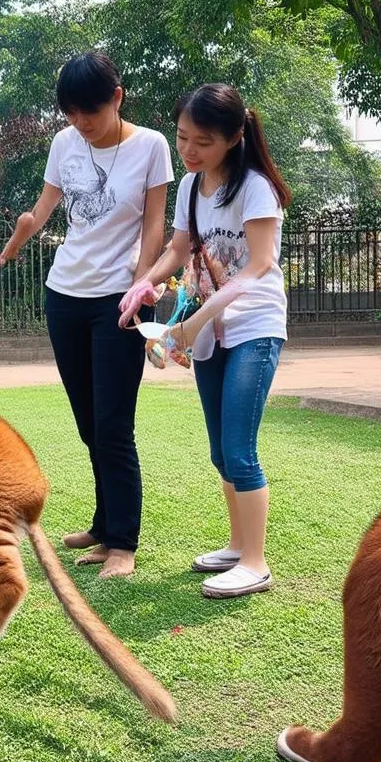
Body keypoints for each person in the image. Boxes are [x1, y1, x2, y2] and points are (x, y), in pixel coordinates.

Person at [0, 51, 173, 578]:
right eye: (71, 114)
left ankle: (122, 542)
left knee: (115, 424)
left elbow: (154, 225)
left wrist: (141, 286)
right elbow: (42, 208)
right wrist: (13, 246)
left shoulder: (152, 146)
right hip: (64, 294)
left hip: (117, 300)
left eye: (89, 112)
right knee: (89, 424)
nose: (80, 124)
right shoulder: (64, 143)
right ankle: (101, 525)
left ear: (117, 97)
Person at [118, 83, 291, 599]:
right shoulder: (193, 186)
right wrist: (142, 283)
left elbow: (259, 267)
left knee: (240, 449)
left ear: (235, 137)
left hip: (254, 327)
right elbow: (178, 249)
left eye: (203, 142)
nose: (189, 151)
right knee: (220, 452)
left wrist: (191, 326)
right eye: (182, 137)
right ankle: (239, 546)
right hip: (213, 329)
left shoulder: (255, 187)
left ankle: (256, 564)